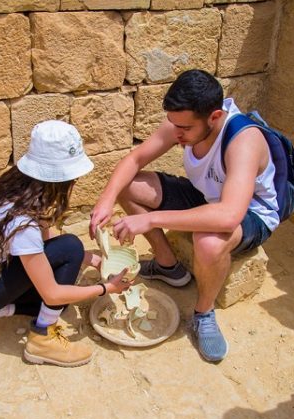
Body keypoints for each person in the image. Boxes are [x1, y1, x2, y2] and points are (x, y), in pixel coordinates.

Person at [89, 69, 279, 362]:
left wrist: (150, 219)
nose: (176, 134)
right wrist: (106, 199)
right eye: (174, 124)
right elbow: (135, 158)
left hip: (249, 213)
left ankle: (204, 312)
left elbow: (228, 215)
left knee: (209, 242)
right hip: (205, 196)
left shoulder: (243, 141)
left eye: (185, 129)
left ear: (214, 117)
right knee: (128, 185)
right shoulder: (183, 122)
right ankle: (168, 266)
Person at [0, 120, 131, 367]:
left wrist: (88, 258)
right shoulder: (21, 221)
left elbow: (43, 244)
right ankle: (42, 340)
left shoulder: (19, 190)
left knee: (59, 291)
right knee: (63, 270)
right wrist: (106, 288)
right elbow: (52, 290)